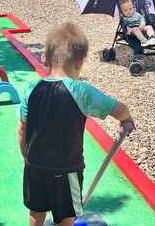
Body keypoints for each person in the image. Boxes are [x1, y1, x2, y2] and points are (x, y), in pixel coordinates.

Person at [16, 22, 136, 226]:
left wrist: (26, 155)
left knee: (36, 211)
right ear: (81, 62)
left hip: (34, 165)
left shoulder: (31, 89)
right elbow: (119, 108)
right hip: (66, 169)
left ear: (44, 59)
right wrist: (126, 119)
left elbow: (22, 129)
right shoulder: (82, 91)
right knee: (66, 216)